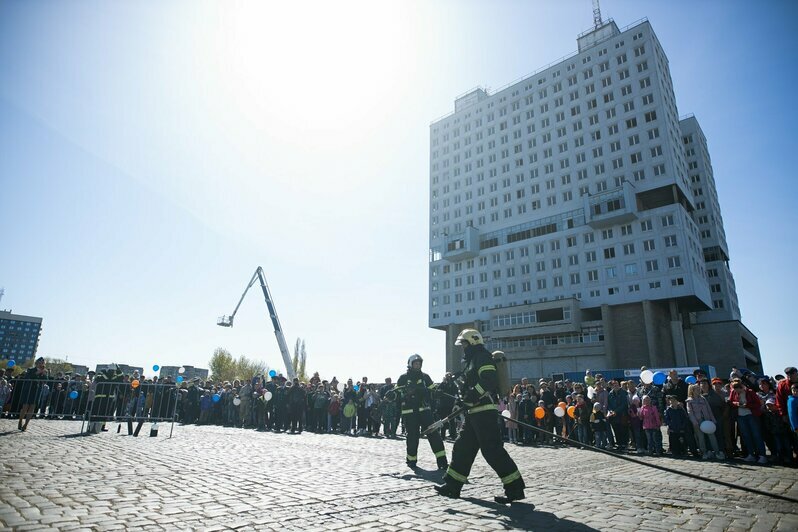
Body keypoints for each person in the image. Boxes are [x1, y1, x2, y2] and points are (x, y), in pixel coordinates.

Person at [435, 329, 525, 504]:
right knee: (462, 448)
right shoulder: (472, 360)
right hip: (474, 414)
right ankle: (453, 486)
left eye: (464, 344)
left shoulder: (482, 357)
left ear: (473, 342)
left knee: (492, 451)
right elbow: (473, 386)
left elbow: (488, 380)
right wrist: (465, 398)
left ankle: (515, 489)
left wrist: (472, 395)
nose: (463, 348)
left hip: (484, 413)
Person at [397, 354, 447, 470]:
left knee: (434, 434)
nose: (417, 365)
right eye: (415, 363)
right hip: (410, 413)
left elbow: (433, 389)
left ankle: (442, 462)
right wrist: (393, 395)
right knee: (412, 437)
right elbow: (397, 392)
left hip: (425, 411)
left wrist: (437, 392)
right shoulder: (403, 378)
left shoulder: (425, 377)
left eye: (419, 363)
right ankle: (411, 461)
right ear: (410, 364)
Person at [18, 357, 47, 431]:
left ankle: (26, 424)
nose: (41, 364)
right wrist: (38, 373)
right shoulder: (30, 370)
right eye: (40, 362)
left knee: (32, 408)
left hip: (37, 391)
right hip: (28, 390)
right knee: (25, 407)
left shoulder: (44, 372)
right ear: (37, 363)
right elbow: (29, 377)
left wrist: (43, 374)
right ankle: (20, 420)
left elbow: (45, 381)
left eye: (43, 363)